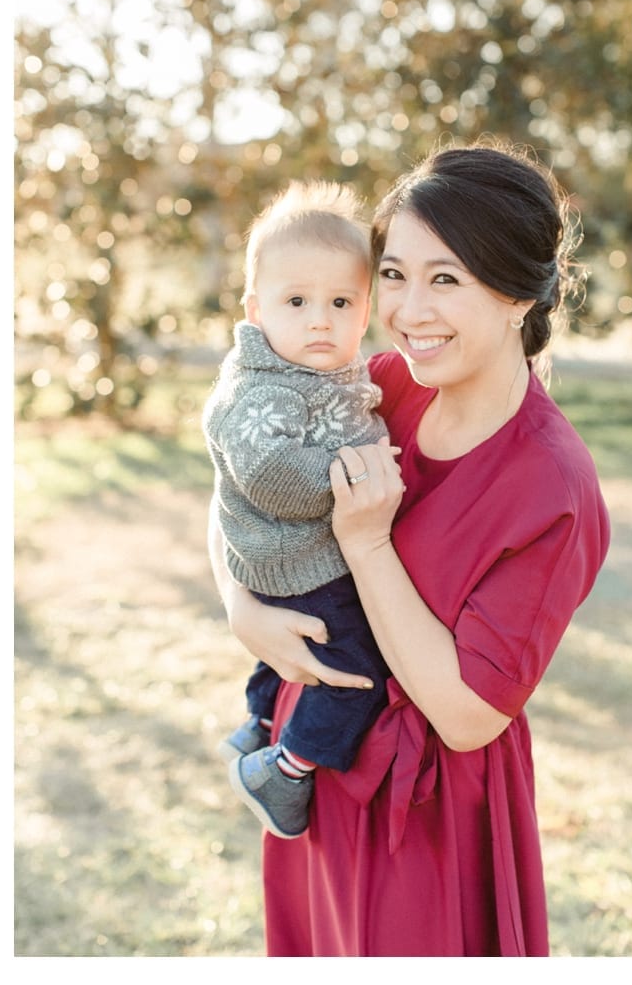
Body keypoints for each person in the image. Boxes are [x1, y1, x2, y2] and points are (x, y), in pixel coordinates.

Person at [209, 140, 610, 955]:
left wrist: (366, 544)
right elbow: (240, 487)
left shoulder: (550, 486)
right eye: (393, 273)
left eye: (447, 279)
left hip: (426, 825)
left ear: (516, 298)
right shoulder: (381, 384)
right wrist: (241, 607)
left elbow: (467, 715)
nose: (409, 310)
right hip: (314, 773)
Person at [202, 180, 391, 839]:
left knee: (294, 646)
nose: (321, 319)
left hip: (289, 558)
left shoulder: (319, 370)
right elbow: (269, 470)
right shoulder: (263, 387)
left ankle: (256, 721)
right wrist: (356, 475)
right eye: (298, 301)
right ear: (257, 310)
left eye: (341, 301)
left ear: (365, 308)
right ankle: (284, 768)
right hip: (297, 558)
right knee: (355, 667)